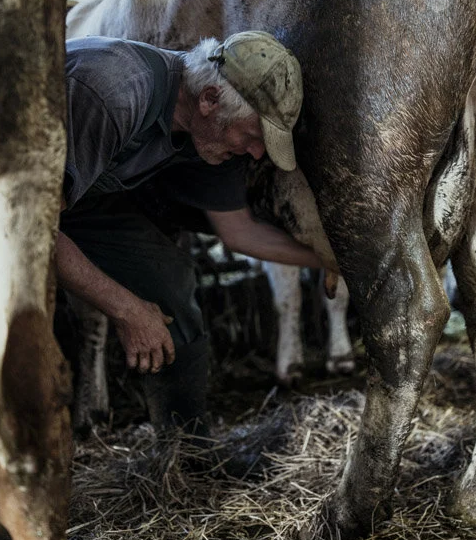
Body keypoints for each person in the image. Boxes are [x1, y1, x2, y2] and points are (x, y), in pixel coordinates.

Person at [59, 31, 323, 433]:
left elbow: (241, 234)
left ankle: (187, 451)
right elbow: (29, 230)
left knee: (170, 281)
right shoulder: (113, 93)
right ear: (210, 99)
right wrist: (126, 309)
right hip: (14, 203)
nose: (255, 154)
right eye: (253, 137)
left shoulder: (210, 133)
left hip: (78, 199)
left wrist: (326, 259)